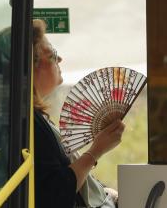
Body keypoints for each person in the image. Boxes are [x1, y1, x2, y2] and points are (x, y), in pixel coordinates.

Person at [32, 19, 125, 208]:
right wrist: (96, 151)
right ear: (30, 67)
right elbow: (55, 194)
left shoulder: (36, 118)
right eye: (52, 55)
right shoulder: (31, 124)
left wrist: (103, 192)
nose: (59, 60)